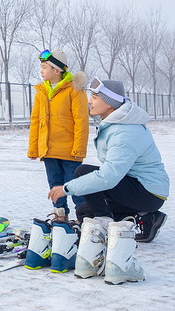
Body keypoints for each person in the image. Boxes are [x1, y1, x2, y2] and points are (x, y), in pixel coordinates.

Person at [48, 79, 169, 243]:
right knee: (85, 212)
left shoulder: (125, 132)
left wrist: (66, 188)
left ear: (110, 103)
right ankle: (147, 218)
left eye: (95, 97)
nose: (89, 101)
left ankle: (107, 224)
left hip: (148, 192)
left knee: (83, 172)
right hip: (135, 188)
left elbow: (108, 177)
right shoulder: (116, 124)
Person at [28, 49, 89, 222]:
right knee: (55, 187)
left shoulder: (74, 90)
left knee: (74, 186)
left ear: (57, 70)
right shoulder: (41, 92)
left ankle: (84, 218)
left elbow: (81, 122)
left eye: (45, 67)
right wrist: (33, 148)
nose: (41, 71)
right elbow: (35, 122)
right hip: (48, 151)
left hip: (70, 152)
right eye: (41, 67)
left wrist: (79, 149)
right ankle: (60, 217)